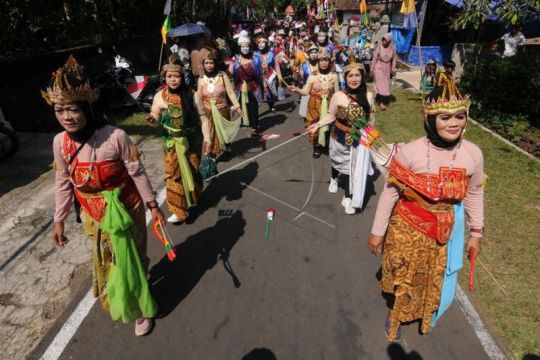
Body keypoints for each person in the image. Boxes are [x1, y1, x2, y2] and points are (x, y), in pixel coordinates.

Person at [45, 55, 165, 336]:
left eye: (72, 109)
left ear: (88, 107)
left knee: (134, 257)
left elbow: (137, 172)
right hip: (92, 213)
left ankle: (138, 304)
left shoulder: (115, 137)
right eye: (59, 110)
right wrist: (59, 220)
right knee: (110, 260)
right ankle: (125, 296)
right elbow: (63, 180)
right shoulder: (59, 143)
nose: (66, 117)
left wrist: (153, 206)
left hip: (128, 207)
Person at [367, 78, 484, 341]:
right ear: (429, 119)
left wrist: (476, 232)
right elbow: (390, 192)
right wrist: (377, 231)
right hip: (407, 225)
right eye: (445, 117)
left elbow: (475, 192)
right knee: (405, 277)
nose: (454, 123)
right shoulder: (410, 152)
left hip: (443, 231)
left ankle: (424, 311)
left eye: (460, 116)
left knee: (433, 276)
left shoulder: (473, 154)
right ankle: (395, 315)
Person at [307, 57, 375, 214]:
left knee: (354, 168)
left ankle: (348, 197)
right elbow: (331, 116)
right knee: (337, 161)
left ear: (362, 77)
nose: (354, 79)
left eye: (357, 75)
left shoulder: (369, 96)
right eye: (350, 76)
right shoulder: (338, 96)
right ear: (345, 78)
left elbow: (370, 120)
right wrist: (317, 125)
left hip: (358, 139)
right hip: (338, 137)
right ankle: (334, 178)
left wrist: (371, 138)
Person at [147, 54, 205, 224]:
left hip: (192, 141)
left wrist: (208, 139)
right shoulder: (159, 97)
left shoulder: (193, 95)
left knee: (193, 172)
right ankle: (179, 210)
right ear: (164, 78)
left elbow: (204, 118)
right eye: (169, 76)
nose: (173, 80)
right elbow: (155, 117)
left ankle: (193, 199)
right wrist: (152, 120)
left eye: (177, 76)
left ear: (182, 76)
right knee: (173, 176)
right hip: (170, 143)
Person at [289, 48, 339, 158]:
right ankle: (316, 147)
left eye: (326, 60)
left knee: (328, 126)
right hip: (314, 106)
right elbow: (305, 92)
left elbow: (337, 94)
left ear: (330, 61)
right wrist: (297, 89)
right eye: (321, 60)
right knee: (314, 126)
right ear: (318, 61)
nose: (324, 63)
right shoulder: (312, 76)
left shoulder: (334, 76)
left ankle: (326, 145)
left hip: (329, 105)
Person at [196, 52, 243, 159]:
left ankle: (228, 147)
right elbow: (199, 96)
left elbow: (230, 92)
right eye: (206, 63)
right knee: (211, 131)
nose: (209, 65)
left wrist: (237, 106)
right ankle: (212, 153)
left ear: (215, 63)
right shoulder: (201, 79)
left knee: (224, 130)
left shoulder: (222, 76)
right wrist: (198, 110)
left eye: (211, 63)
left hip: (223, 109)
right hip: (208, 111)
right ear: (203, 64)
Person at [230, 32, 264, 138]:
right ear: (239, 47)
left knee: (254, 106)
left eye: (247, 46)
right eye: (243, 47)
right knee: (242, 105)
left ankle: (254, 126)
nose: (245, 49)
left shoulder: (255, 59)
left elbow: (259, 74)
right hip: (240, 87)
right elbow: (231, 73)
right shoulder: (235, 59)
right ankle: (245, 121)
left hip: (252, 86)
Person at [254, 36, 281, 112]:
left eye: (263, 42)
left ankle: (271, 102)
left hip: (270, 74)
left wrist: (267, 63)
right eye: (259, 42)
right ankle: (270, 104)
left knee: (273, 91)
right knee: (265, 90)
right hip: (260, 75)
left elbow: (273, 62)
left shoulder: (270, 52)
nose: (261, 44)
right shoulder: (255, 54)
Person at [371, 32, 397, 110]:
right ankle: (381, 103)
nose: (383, 42)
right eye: (383, 40)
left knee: (385, 85)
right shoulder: (379, 47)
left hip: (387, 68)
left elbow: (394, 60)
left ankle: (378, 98)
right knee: (380, 84)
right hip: (378, 67)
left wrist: (393, 69)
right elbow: (374, 58)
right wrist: (372, 68)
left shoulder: (392, 49)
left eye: (385, 40)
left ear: (389, 41)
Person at [297, 43, 320, 120]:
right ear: (308, 54)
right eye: (311, 53)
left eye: (315, 52)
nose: (313, 54)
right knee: (305, 114)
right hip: (307, 88)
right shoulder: (304, 64)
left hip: (318, 90)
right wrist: (298, 73)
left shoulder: (321, 64)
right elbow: (301, 77)